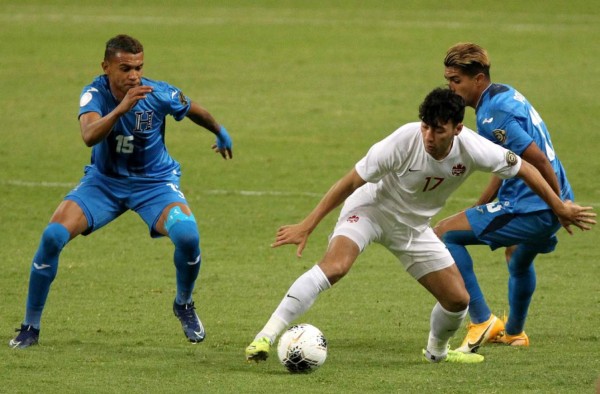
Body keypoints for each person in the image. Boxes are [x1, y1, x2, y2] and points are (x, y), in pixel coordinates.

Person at [244, 88, 593, 365]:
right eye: (425, 125)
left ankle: (436, 353)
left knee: (458, 301)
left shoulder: (473, 148)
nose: (428, 135)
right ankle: (265, 336)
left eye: (437, 129)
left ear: (457, 129)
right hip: (370, 209)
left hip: (412, 228)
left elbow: (526, 168)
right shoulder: (403, 140)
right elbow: (350, 182)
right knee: (336, 267)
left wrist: (558, 205)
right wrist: (308, 224)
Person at [9, 34, 233, 349]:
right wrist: (121, 109)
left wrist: (220, 132)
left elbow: (193, 107)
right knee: (52, 237)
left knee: (188, 236)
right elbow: (89, 135)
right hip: (104, 182)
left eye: (138, 68)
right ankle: (30, 327)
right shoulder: (94, 94)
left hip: (154, 183)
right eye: (125, 68)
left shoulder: (157, 92)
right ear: (106, 66)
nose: (134, 76)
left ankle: (183, 304)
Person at [435, 42, 594, 353]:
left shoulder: (493, 116)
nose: (451, 89)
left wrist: (558, 206)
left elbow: (537, 161)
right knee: (517, 259)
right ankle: (515, 333)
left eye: (456, 81)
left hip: (531, 207)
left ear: (478, 79)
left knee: (444, 234)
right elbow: (509, 160)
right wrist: (482, 203)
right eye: (448, 81)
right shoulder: (505, 93)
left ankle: (482, 321)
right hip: (550, 200)